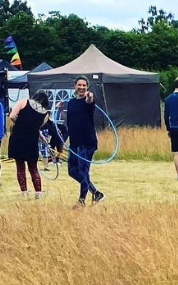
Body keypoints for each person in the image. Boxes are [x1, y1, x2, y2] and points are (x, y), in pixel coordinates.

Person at [7, 90, 55, 199]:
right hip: (31, 141)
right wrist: (42, 138)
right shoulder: (45, 113)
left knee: (20, 167)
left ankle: (24, 192)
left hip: (18, 138)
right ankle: (38, 192)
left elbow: (12, 116)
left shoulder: (23, 102)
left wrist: (20, 123)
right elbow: (37, 128)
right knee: (33, 167)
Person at [64, 78, 105, 206]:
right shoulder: (71, 103)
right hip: (74, 143)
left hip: (87, 143)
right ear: (74, 86)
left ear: (87, 87)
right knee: (72, 171)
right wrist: (64, 140)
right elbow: (69, 123)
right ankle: (96, 193)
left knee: (83, 171)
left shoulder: (88, 101)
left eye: (84, 85)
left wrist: (89, 97)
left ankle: (81, 200)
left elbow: (89, 101)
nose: (81, 87)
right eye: (79, 85)